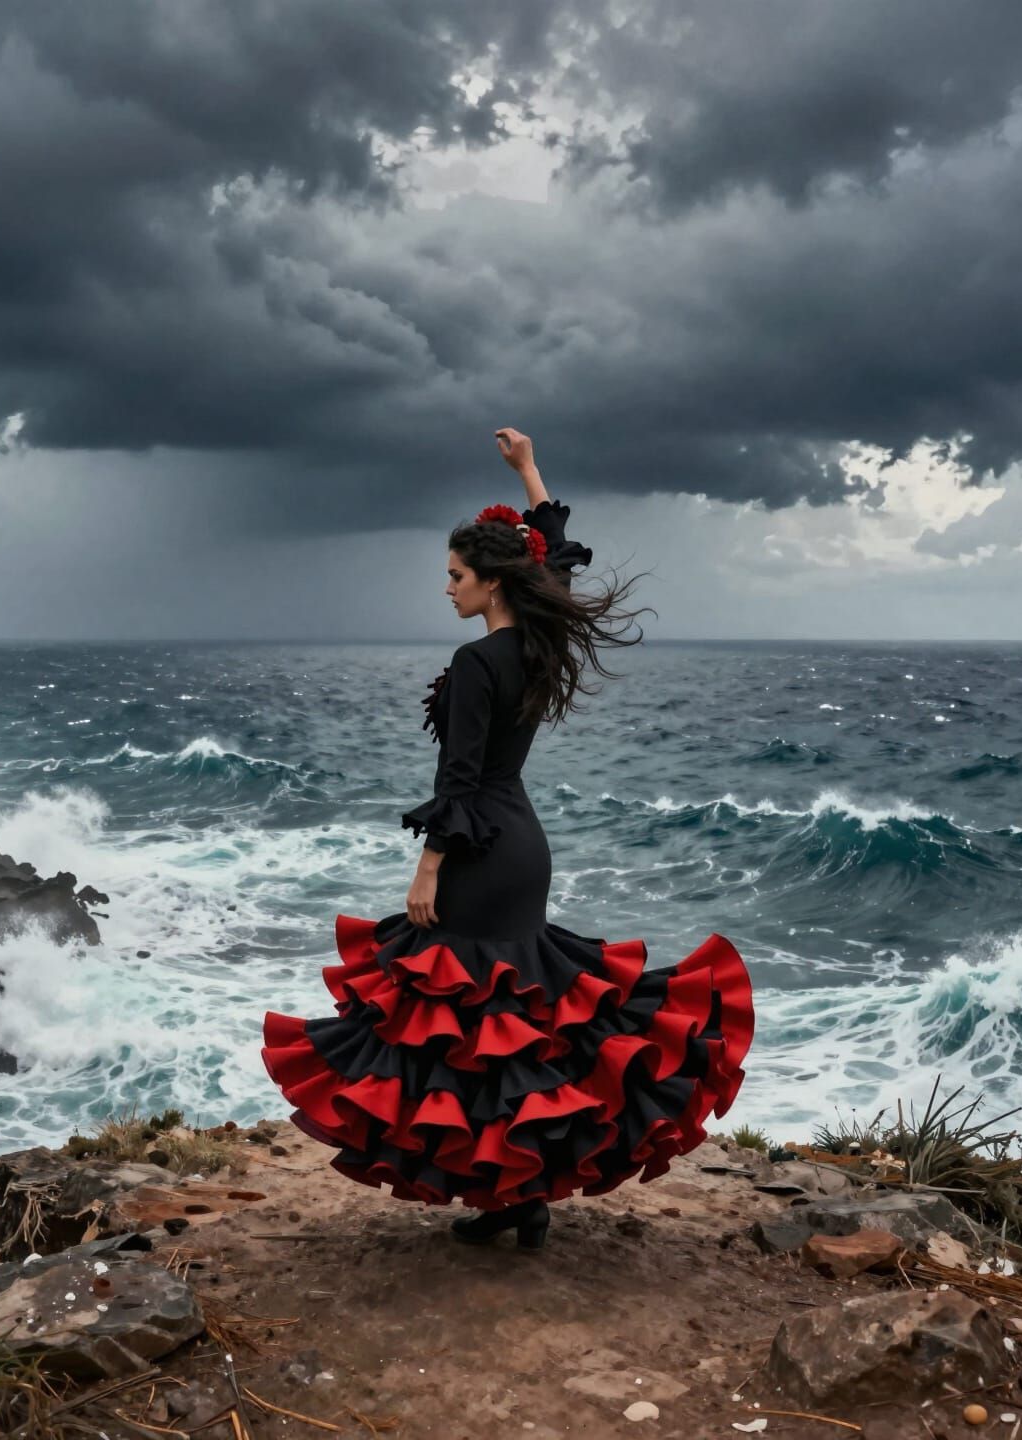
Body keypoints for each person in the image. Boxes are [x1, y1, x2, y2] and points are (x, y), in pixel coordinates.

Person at [261, 428, 754, 1252]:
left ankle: (511, 1190)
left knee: (463, 1018)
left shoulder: (479, 659)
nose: (446, 587)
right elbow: (555, 552)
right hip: (523, 845)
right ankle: (518, 1196)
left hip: (481, 850)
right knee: (519, 1017)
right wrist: (528, 470)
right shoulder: (539, 641)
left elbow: (458, 781)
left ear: (491, 580)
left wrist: (427, 868)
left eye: (456, 575)